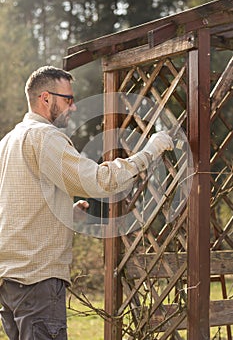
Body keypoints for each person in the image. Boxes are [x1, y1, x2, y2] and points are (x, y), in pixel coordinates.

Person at [0, 65, 173, 340]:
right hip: (38, 283)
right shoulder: (45, 137)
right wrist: (149, 152)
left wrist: (64, 213)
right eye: (68, 99)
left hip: (11, 283)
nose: (75, 107)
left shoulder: (9, 141)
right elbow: (99, 181)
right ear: (46, 98)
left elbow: (14, 207)